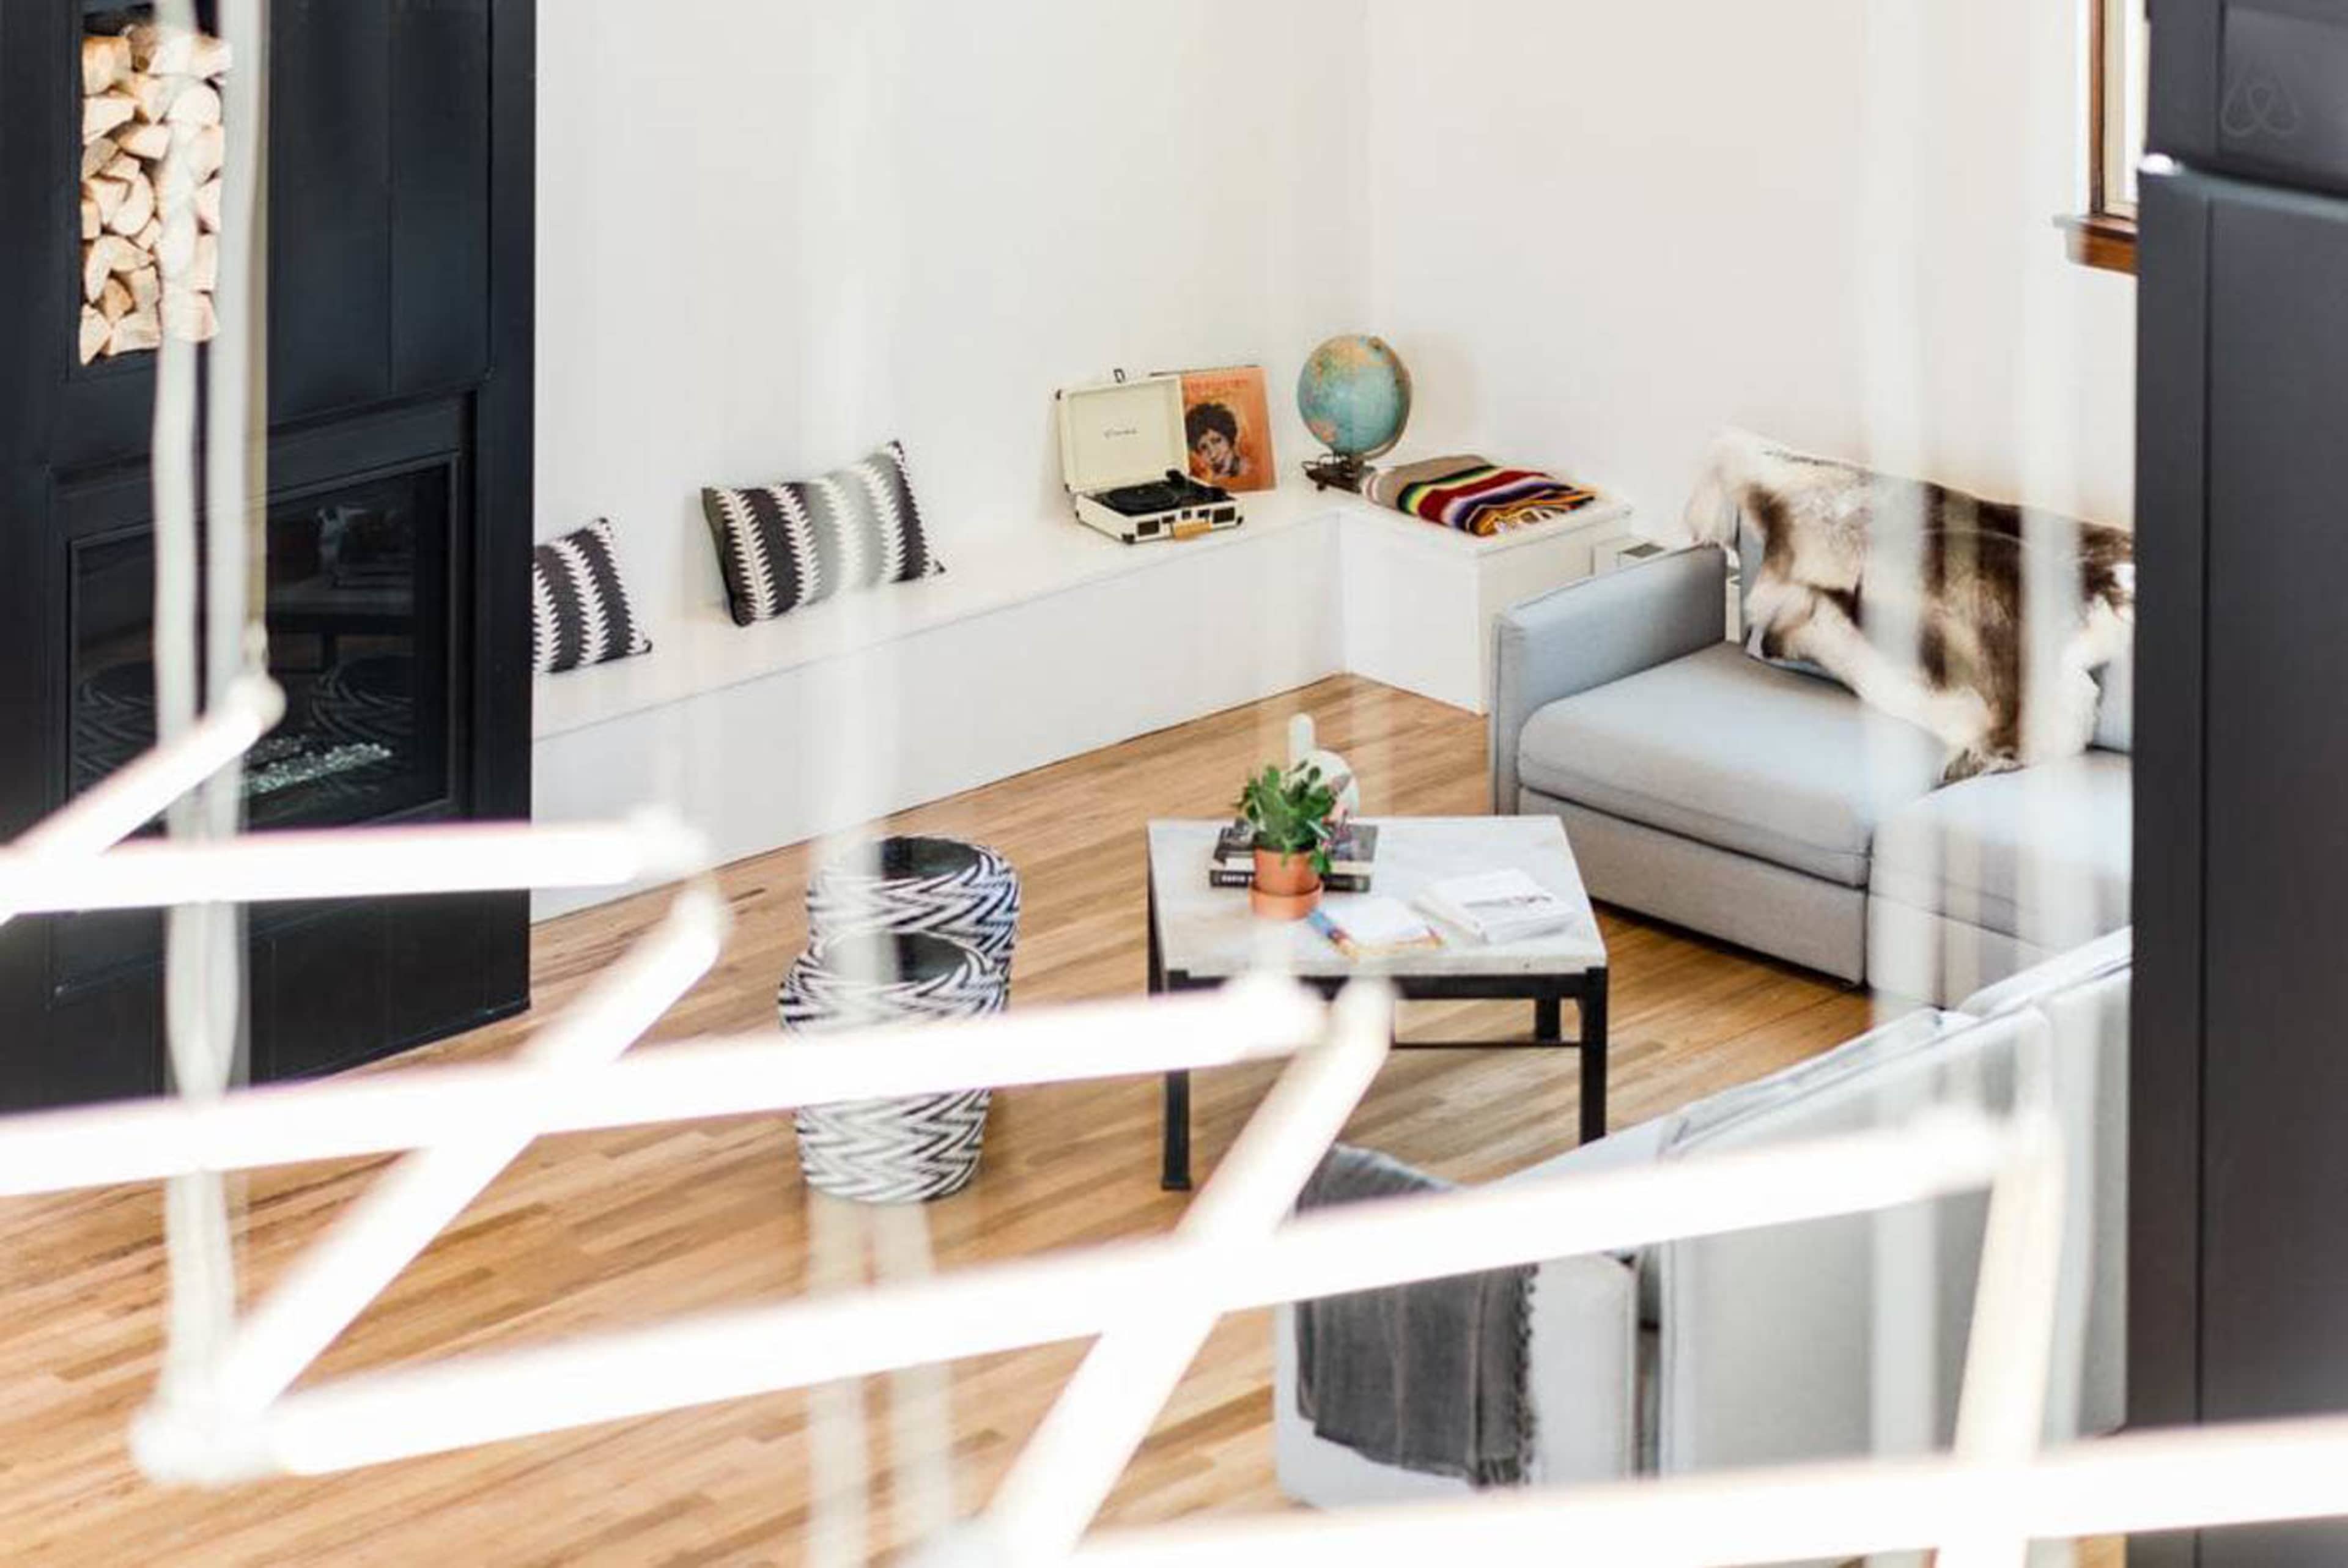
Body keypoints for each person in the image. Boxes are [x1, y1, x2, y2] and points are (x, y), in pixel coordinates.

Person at [1185, 402, 1251, 484]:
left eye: (1216, 441)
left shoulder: (1251, 471)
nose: (1213, 453)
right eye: (1204, 448)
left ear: (1229, 437)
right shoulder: (1207, 484)